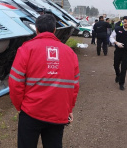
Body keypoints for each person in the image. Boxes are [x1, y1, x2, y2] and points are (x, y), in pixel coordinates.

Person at [9, 14, 80, 148]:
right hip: (58, 113)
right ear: (54, 30)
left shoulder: (26, 49)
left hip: (31, 112)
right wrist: (69, 108)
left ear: (36, 29)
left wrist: (20, 106)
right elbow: (74, 86)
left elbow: (15, 82)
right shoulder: (70, 53)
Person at [110, 16, 127, 90]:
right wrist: (116, 42)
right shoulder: (117, 29)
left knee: (124, 67)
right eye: (124, 22)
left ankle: (121, 83)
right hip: (118, 50)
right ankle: (118, 75)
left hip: (126, 51)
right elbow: (111, 37)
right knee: (115, 65)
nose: (125, 23)